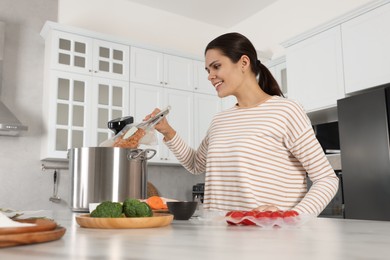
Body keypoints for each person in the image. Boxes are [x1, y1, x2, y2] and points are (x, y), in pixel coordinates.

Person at [146, 32, 339, 216]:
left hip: (270, 240)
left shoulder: (286, 111)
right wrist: (167, 131)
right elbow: (196, 165)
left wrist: (293, 216)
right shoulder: (220, 120)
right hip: (219, 237)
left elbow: (326, 179)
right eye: (208, 70)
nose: (210, 75)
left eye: (216, 66)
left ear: (243, 62)